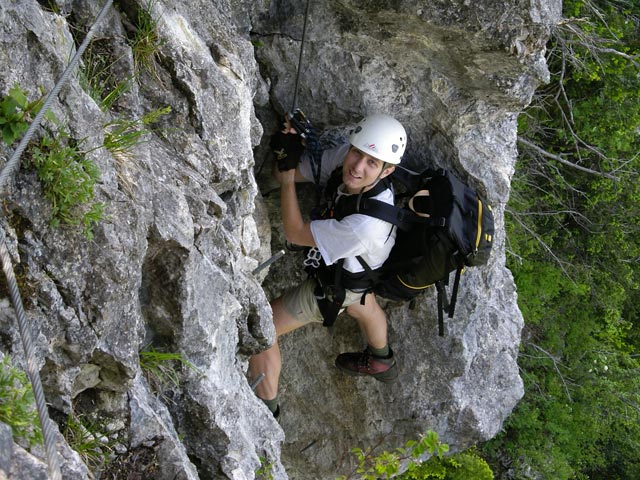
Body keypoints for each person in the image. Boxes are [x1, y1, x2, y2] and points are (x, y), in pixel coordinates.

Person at [249, 113, 407, 417]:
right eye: (357, 153)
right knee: (363, 301)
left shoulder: (366, 225)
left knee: (261, 329)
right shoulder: (346, 160)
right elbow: (296, 171)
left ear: (387, 171)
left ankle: (265, 414)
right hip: (363, 271)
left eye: (371, 163)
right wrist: (289, 149)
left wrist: (285, 180)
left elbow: (296, 233)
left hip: (339, 285)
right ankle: (382, 359)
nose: (357, 167)